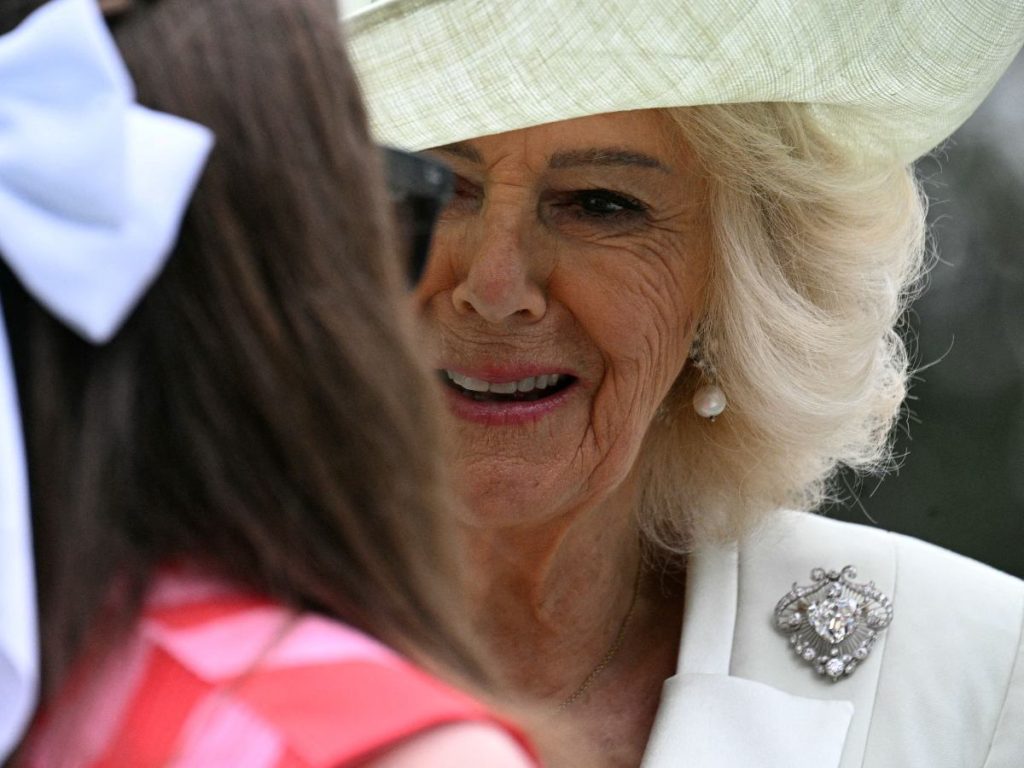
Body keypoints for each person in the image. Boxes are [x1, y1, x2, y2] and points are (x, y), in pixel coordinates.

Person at [342, 1, 1024, 766]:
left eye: (601, 204)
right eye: (440, 187)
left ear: (734, 290)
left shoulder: (981, 677)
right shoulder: (188, 636)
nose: (497, 286)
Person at [0, 0, 539, 765]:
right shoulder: (366, 746)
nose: (494, 286)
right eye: (420, 199)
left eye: (598, 205)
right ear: (306, 250)